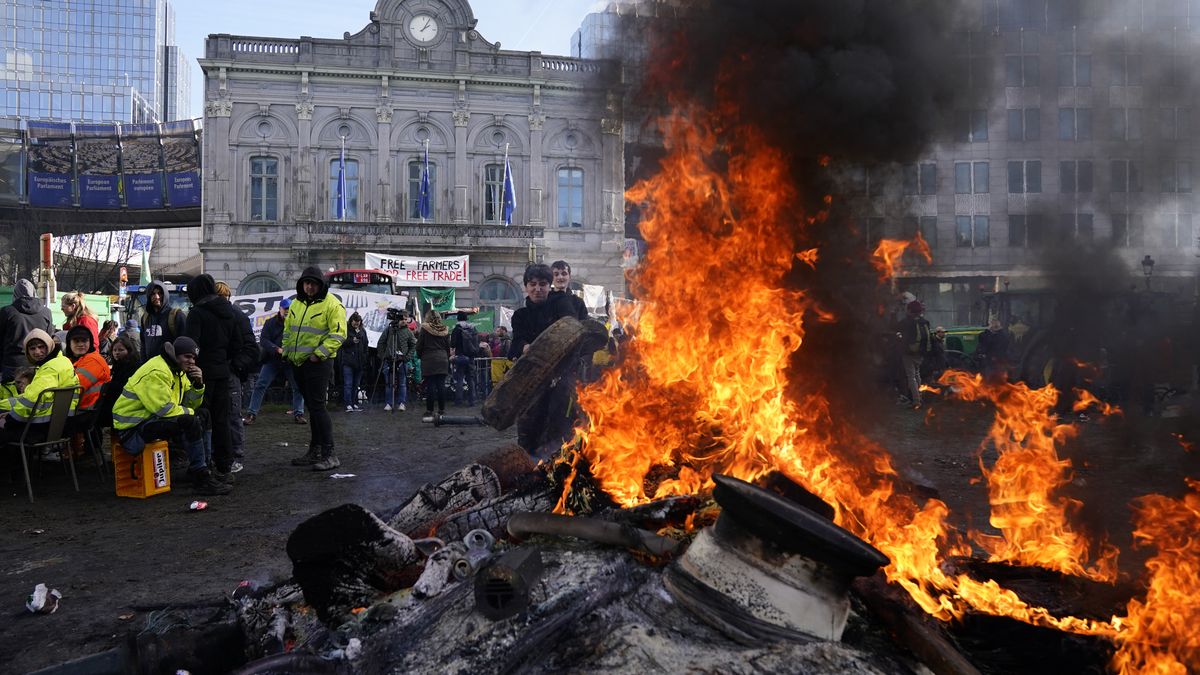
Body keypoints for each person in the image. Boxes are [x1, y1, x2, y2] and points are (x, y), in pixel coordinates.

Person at [111, 337, 230, 495]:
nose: (192, 361)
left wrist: (198, 385)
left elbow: (191, 405)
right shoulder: (158, 371)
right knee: (190, 420)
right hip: (132, 429)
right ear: (176, 355)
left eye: (194, 358)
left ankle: (204, 469)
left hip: (149, 419)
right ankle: (201, 478)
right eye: (188, 356)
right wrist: (191, 414)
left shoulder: (177, 370)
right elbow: (163, 410)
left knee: (204, 414)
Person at [510, 263, 577, 454]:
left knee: (558, 424)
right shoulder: (520, 315)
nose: (537, 289)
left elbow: (571, 328)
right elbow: (517, 341)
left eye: (542, 284)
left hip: (561, 377)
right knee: (529, 424)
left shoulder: (561, 304)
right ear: (526, 287)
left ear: (550, 286)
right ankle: (527, 464)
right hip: (530, 379)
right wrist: (525, 347)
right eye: (532, 284)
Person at [283, 267, 346, 471]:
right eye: (306, 283)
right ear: (302, 284)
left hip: (318, 363)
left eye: (313, 283)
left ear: (320, 285)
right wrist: (286, 351)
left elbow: (338, 335)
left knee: (317, 407)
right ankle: (316, 450)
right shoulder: (295, 303)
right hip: (298, 362)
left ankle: (330, 454)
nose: (309, 287)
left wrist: (318, 354)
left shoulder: (332, 304)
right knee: (313, 407)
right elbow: (288, 329)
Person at [184, 274, 242, 482]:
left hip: (201, 373)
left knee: (200, 418)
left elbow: (190, 346)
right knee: (222, 419)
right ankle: (225, 464)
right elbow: (237, 344)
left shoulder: (197, 314)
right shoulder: (229, 313)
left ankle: (203, 463)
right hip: (223, 372)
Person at [0, 329, 79, 442]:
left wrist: (9, 419)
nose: (37, 352)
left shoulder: (49, 369)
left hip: (42, 427)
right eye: (32, 348)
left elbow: (31, 399)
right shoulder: (63, 361)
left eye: (41, 347)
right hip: (62, 423)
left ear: (50, 345)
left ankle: (18, 460)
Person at [215, 281, 259, 472]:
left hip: (229, 372)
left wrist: (235, 366)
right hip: (224, 371)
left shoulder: (236, 316)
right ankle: (226, 455)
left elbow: (251, 347)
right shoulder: (232, 315)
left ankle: (236, 455)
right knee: (225, 415)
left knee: (232, 414)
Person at [245, 298, 305, 424]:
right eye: (285, 309)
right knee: (260, 385)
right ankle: (251, 414)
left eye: (289, 309)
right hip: (272, 360)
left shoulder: (296, 323)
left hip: (290, 360)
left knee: (298, 387)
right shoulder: (270, 322)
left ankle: (299, 413)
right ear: (280, 309)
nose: (287, 312)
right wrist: (276, 349)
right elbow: (264, 340)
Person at [0, 279, 54, 382]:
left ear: (15, 294)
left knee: (10, 397)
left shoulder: (7, 312)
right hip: (38, 364)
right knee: (34, 396)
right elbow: (49, 340)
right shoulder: (46, 312)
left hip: (12, 365)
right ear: (34, 292)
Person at [95, 334, 141, 430]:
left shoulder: (132, 366)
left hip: (126, 406)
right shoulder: (118, 365)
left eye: (121, 350)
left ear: (129, 351)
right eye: (114, 350)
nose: (116, 353)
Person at [376, 307, 416, 412]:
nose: (404, 321)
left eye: (405, 319)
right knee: (389, 383)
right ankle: (389, 403)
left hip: (402, 361)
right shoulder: (389, 330)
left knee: (402, 383)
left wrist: (407, 357)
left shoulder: (408, 332)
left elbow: (413, 345)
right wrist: (383, 356)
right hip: (388, 360)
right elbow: (381, 343)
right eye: (402, 319)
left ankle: (402, 403)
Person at [897, 300, 932, 410]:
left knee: (911, 377)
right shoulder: (925, 322)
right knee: (917, 375)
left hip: (909, 353)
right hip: (920, 353)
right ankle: (919, 397)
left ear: (910, 310)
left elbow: (894, 327)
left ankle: (916, 401)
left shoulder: (907, 322)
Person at [416, 309, 450, 422]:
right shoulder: (445, 329)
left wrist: (420, 355)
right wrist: (446, 357)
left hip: (429, 359)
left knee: (430, 386)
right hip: (442, 359)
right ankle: (442, 409)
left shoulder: (425, 329)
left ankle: (429, 410)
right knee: (441, 385)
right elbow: (447, 346)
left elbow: (420, 345)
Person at [139, 280, 186, 361]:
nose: (157, 297)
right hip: (150, 368)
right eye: (153, 294)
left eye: (160, 293)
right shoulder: (145, 318)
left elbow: (184, 345)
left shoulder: (176, 316)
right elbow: (143, 345)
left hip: (170, 368)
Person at [449, 311, 481, 407]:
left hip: (460, 356)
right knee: (470, 379)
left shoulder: (456, 329)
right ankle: (472, 400)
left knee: (459, 379)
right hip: (471, 357)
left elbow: (453, 344)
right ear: (467, 318)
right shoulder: (473, 328)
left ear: (458, 318)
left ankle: (459, 400)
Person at [340, 312, 369, 412]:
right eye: (355, 322)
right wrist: (352, 341)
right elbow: (341, 343)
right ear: (351, 321)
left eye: (358, 322)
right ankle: (348, 403)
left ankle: (353, 402)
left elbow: (366, 344)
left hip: (359, 362)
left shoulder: (362, 331)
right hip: (348, 361)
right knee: (348, 384)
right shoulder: (345, 330)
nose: (357, 323)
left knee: (356, 384)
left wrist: (365, 356)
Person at [976, 318, 1010, 382]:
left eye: (994, 322)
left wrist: (988, 331)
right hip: (995, 360)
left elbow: (988, 343)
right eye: (992, 322)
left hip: (992, 361)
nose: (993, 324)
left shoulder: (998, 336)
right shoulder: (1003, 335)